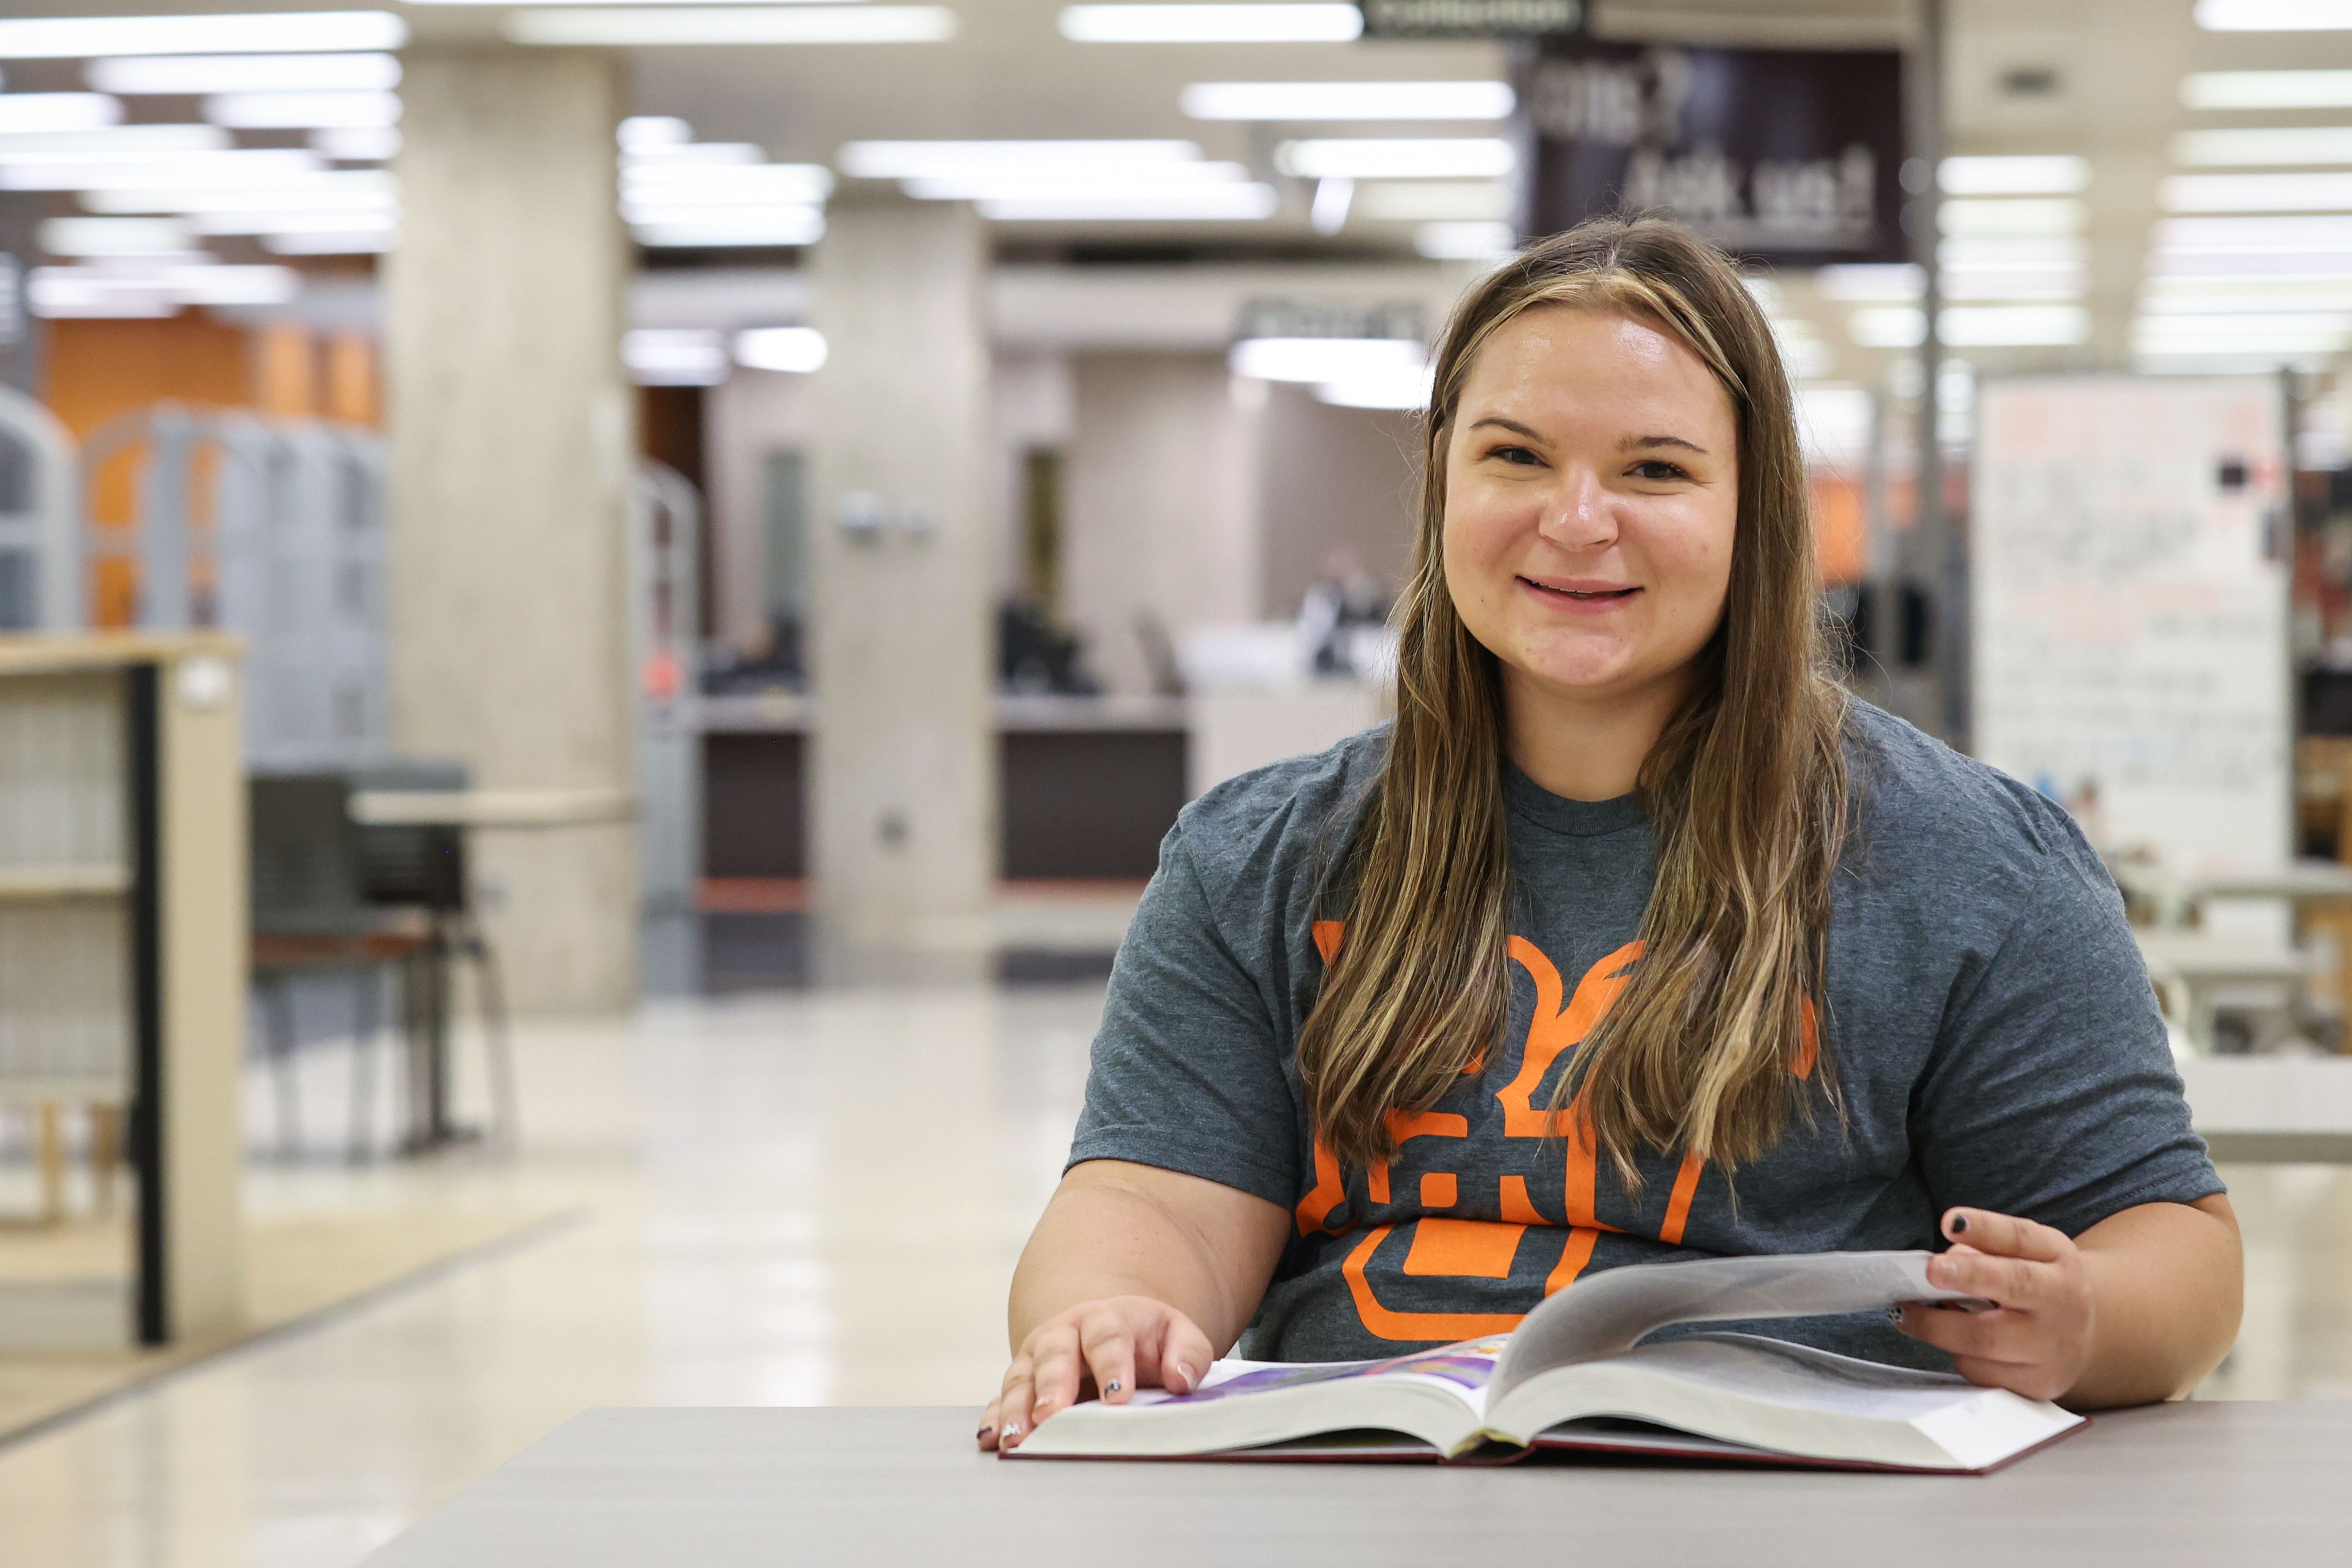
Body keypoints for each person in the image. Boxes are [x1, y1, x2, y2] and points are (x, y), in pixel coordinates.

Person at [980, 216, 2241, 1452]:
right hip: (1366, 1501)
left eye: (1655, 468)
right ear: (1443, 482)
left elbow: (2173, 1255)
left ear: (1757, 506)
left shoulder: (1969, 864)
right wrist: (1111, 1309)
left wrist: (2079, 1321)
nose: (1577, 520)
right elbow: (1154, 1200)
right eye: (1517, 456)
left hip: (1798, 1522)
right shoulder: (1255, 860)